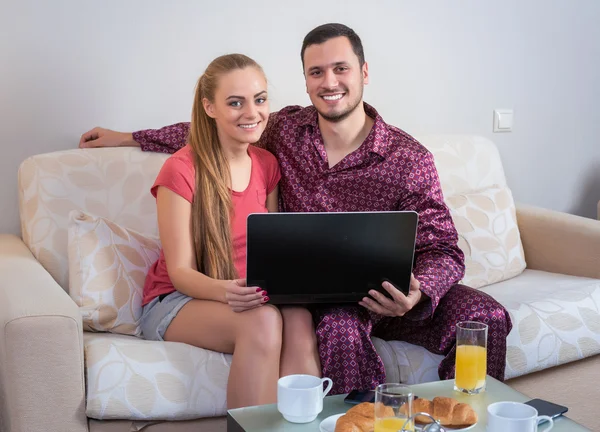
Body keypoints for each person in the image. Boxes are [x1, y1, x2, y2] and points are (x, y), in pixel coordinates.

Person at [80, 23, 512, 396]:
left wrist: (419, 291)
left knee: (486, 316)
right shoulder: (284, 130)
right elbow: (215, 131)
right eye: (316, 72)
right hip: (328, 301)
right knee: (336, 330)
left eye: (341, 69)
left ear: (363, 73)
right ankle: (352, 419)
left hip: (396, 296)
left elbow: (445, 250)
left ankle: (463, 416)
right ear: (305, 82)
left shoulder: (408, 158)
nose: (330, 82)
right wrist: (130, 136)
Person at [137, 53, 320, 409]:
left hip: (245, 292)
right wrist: (226, 292)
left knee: (299, 319)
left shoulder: (266, 164)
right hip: (178, 299)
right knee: (263, 322)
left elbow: (272, 250)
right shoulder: (181, 170)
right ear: (210, 107)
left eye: (260, 99)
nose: (252, 113)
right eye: (235, 103)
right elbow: (180, 273)